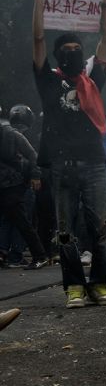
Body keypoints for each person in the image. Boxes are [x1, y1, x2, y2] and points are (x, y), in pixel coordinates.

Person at [32, 0, 106, 308]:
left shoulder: (94, 80)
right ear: (58, 54)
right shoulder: (48, 81)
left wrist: (105, 0)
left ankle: (99, 284)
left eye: (75, 48)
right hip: (62, 166)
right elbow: (37, 39)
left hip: (94, 163)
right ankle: (74, 287)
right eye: (64, 48)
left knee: (103, 227)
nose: (70, 52)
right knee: (65, 231)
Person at [0, 105, 47, 268]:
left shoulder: (11, 134)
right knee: (11, 220)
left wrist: (35, 175)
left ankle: (39, 255)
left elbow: (32, 155)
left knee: (21, 221)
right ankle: (4, 253)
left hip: (12, 184)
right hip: (7, 184)